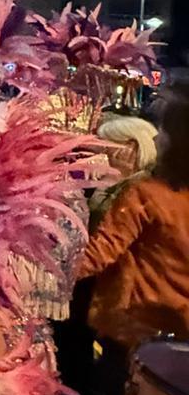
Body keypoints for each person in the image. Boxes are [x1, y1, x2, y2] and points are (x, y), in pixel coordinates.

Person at [79, 89, 189, 352]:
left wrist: (38, 276)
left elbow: (98, 254)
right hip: (179, 333)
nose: (156, 136)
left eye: (163, 130)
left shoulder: (146, 195)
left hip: (132, 328)